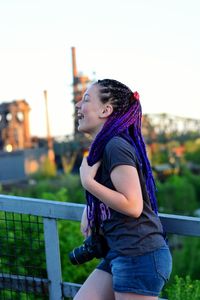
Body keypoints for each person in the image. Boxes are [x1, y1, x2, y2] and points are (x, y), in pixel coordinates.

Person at [74, 79, 172, 300]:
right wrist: (89, 209)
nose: (78, 105)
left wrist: (89, 183)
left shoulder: (115, 146)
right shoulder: (106, 146)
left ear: (106, 110)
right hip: (121, 252)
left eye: (86, 99)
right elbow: (116, 191)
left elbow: (133, 205)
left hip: (139, 254)